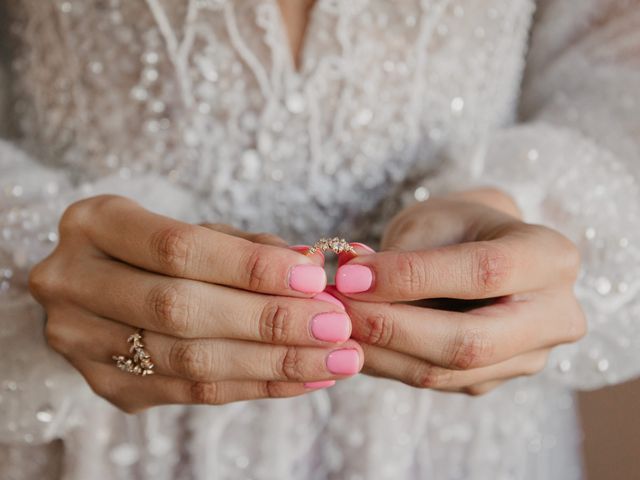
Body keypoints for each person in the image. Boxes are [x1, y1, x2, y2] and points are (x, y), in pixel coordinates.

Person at [1, 0, 638, 478]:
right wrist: (37, 257)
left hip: (470, 442)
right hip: (93, 426)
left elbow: (617, 63)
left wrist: (519, 213)